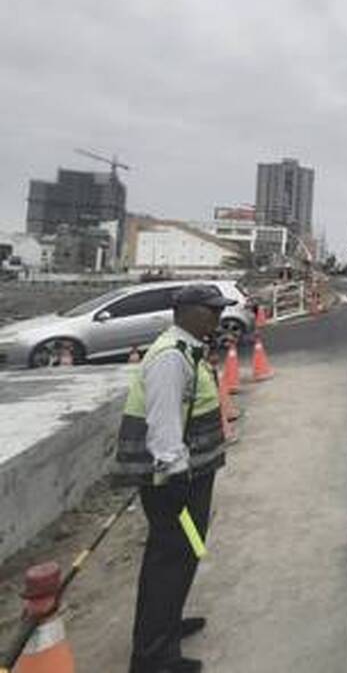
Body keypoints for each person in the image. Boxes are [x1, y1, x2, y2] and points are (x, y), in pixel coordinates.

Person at [112, 284, 234, 673]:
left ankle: (165, 624)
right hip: (173, 478)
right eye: (211, 310)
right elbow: (163, 423)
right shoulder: (170, 357)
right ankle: (153, 656)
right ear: (188, 312)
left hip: (190, 473)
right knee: (171, 558)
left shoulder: (187, 349)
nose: (217, 317)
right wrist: (174, 471)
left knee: (183, 553)